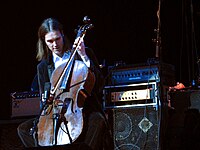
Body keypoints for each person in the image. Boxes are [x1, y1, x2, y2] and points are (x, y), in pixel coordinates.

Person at [17, 17, 114, 150]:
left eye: (57, 39)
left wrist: (84, 56)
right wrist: (47, 98)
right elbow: (43, 97)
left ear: (62, 34)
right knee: (24, 129)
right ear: (44, 42)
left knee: (98, 120)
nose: (55, 44)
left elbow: (100, 84)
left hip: (82, 108)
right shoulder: (44, 66)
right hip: (56, 110)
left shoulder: (82, 54)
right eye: (50, 41)